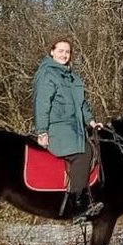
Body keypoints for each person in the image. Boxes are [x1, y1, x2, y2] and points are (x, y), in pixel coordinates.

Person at [32, 36, 104, 223]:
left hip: (75, 129)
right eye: (61, 51)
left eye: (67, 51)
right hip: (59, 128)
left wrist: (92, 121)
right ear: (52, 52)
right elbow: (42, 103)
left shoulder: (72, 77)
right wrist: (42, 131)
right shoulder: (48, 74)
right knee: (83, 153)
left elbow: (82, 105)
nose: (65, 54)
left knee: (96, 147)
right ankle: (77, 204)